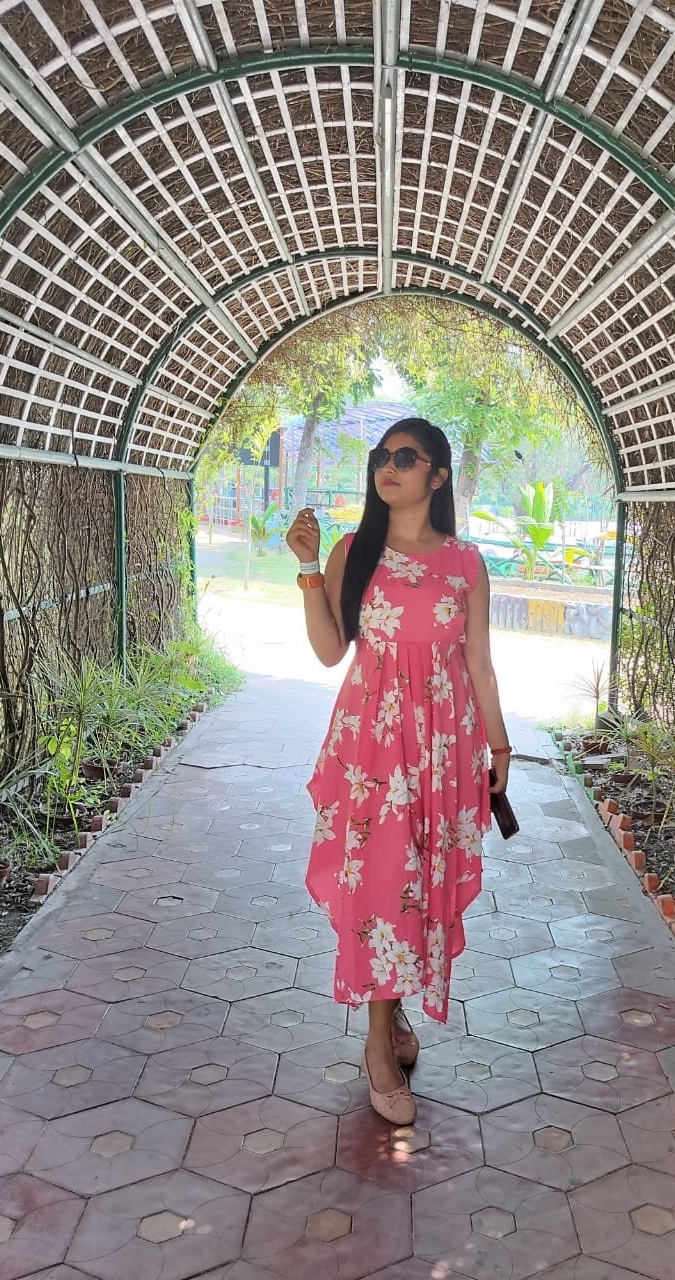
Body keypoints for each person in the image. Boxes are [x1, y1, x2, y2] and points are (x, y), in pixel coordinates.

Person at [285, 417, 511, 1125]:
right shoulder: (354, 550)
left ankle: (393, 1016)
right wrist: (308, 567)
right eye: (381, 455)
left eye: (406, 457)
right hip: (372, 746)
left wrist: (499, 749)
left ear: (437, 476)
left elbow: (479, 664)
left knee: (421, 879)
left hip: (443, 746)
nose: (388, 466)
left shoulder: (466, 563)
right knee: (384, 881)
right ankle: (377, 1046)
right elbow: (330, 651)